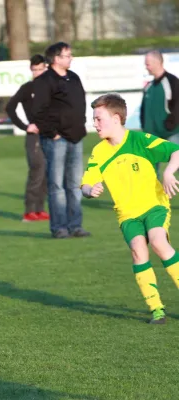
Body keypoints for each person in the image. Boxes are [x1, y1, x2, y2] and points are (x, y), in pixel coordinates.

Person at [81, 93, 179, 324]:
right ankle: (156, 309)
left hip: (154, 204)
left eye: (98, 119)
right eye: (93, 119)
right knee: (138, 250)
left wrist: (168, 172)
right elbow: (86, 183)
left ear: (116, 119)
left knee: (157, 242)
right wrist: (89, 190)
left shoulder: (140, 140)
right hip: (127, 213)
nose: (94, 124)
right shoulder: (99, 151)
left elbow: (175, 151)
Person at [32, 42, 90, 239]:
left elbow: (80, 103)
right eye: (67, 55)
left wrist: (80, 125)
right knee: (56, 186)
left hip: (75, 137)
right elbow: (38, 112)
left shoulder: (73, 78)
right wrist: (52, 133)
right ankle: (59, 228)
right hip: (56, 139)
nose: (70, 58)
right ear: (56, 58)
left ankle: (76, 225)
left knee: (75, 185)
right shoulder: (44, 80)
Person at [5, 54, 49, 222]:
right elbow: (10, 108)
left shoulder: (51, 87)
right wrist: (26, 127)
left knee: (46, 173)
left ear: (46, 68)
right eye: (34, 69)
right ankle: (29, 211)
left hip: (50, 136)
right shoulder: (27, 88)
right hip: (34, 137)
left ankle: (39, 209)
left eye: (40, 69)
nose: (37, 72)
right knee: (37, 170)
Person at [141, 50, 179, 177]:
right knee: (150, 171)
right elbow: (144, 109)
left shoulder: (172, 81)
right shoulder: (149, 86)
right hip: (152, 137)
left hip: (171, 134)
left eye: (148, 64)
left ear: (158, 63)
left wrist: (169, 125)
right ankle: (153, 196)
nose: (146, 67)